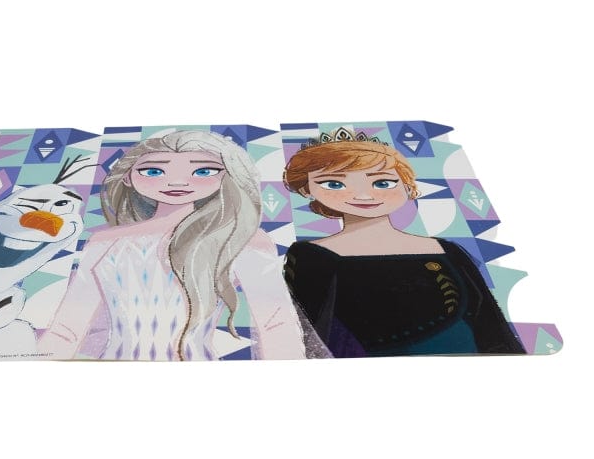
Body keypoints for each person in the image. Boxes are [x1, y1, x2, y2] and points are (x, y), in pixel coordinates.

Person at [40, 130, 307, 360]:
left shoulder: (241, 239)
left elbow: (276, 323)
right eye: (153, 171)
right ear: (127, 177)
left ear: (227, 176)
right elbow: (67, 328)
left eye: (203, 171)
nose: (177, 182)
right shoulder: (104, 242)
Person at [282, 128, 525, 356]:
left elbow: (490, 323)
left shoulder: (446, 250)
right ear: (307, 189)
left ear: (407, 185)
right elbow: (306, 331)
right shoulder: (310, 255)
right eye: (334, 184)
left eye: (382, 183)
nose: (364, 195)